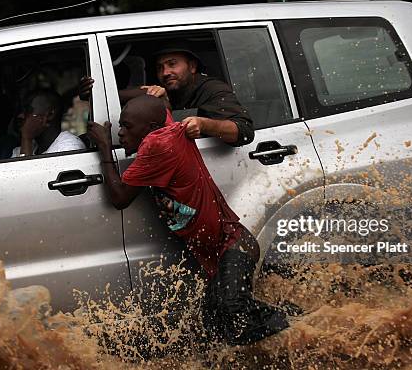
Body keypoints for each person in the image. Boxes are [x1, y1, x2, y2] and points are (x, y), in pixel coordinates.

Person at [86, 95, 288, 345]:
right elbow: (161, 104)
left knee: (236, 318)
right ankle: (285, 330)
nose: (121, 133)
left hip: (234, 246)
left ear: (149, 130)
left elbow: (119, 198)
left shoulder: (156, 145)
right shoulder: (165, 124)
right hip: (220, 254)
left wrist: (104, 147)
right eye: (120, 127)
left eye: (127, 127)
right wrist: (96, 91)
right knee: (215, 328)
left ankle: (303, 326)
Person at [79, 43, 254, 147]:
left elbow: (244, 131)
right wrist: (92, 93)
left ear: (192, 66)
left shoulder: (212, 89)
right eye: (160, 67)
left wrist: (204, 124)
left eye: (172, 64)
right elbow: (132, 95)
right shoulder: (166, 89)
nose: (165, 72)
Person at [12, 88, 85, 157]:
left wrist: (26, 138)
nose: (21, 116)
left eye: (28, 110)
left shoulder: (70, 147)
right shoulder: (21, 149)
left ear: (50, 115)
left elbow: (27, 170)